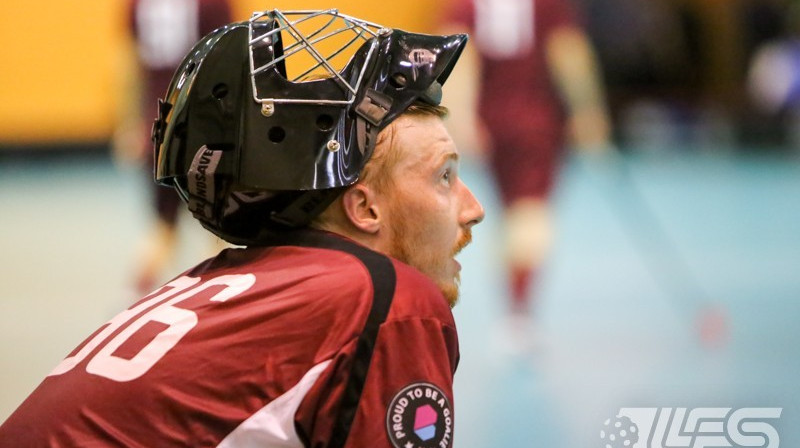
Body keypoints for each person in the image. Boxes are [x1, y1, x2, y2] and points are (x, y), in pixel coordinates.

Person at [0, 9, 484, 447]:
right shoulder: (390, 303)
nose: (474, 208)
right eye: (444, 176)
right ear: (363, 208)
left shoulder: (221, 283)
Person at [441, 0, 612, 318]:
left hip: (490, 121)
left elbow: (457, 50)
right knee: (531, 216)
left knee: (506, 218)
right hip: (537, 123)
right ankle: (519, 313)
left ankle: (513, 307)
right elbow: (568, 52)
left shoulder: (465, 4)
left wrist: (461, 116)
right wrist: (587, 110)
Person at [121, 0, 232, 295]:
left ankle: (137, 301)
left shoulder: (138, 5)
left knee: (161, 226)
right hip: (204, 125)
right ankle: (214, 301)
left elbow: (129, 66)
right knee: (218, 227)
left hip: (158, 126)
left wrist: (132, 124)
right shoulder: (212, 4)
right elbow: (229, 61)